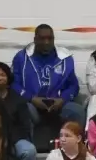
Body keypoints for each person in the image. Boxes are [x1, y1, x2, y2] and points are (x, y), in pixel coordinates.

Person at [12, 24, 80, 152]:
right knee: (23, 110)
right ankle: (30, 150)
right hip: (33, 104)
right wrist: (31, 98)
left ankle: (74, 151)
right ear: (35, 39)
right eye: (42, 39)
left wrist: (63, 99)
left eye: (50, 38)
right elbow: (14, 84)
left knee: (76, 111)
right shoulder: (22, 57)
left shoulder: (65, 58)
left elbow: (74, 86)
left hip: (58, 104)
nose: (46, 42)